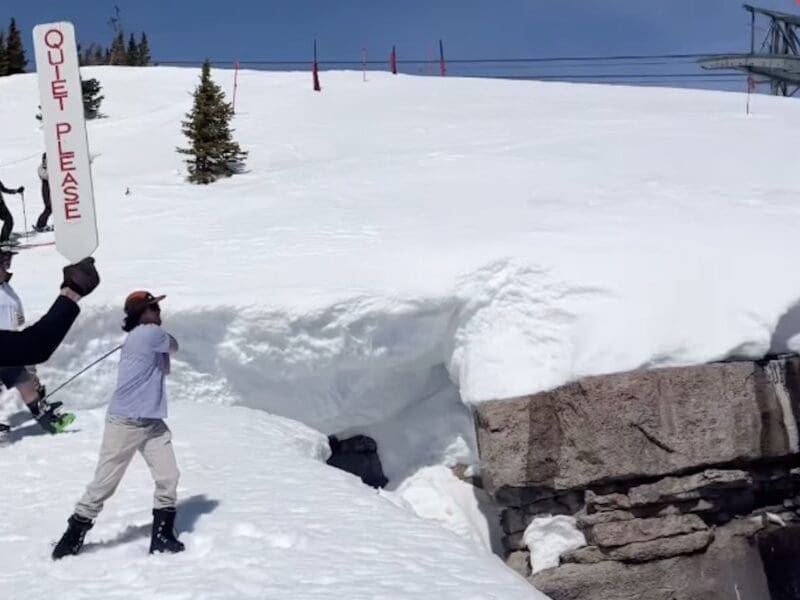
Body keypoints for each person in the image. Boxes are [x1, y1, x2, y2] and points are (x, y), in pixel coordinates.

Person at [53, 291, 184, 560]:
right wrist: (156, 334)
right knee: (105, 483)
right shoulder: (149, 333)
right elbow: (174, 345)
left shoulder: (141, 336)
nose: (158, 312)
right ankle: (73, 533)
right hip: (125, 422)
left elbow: (165, 363)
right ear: (141, 314)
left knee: (168, 476)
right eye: (153, 308)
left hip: (151, 421)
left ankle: (162, 536)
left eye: (157, 307)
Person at [0, 248, 73, 434]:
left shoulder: (6, 287)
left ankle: (45, 418)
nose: (8, 266)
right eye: (4, 262)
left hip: (12, 346)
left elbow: (14, 313)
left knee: (26, 382)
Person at [0, 257, 99, 366]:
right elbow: (31, 347)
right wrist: (71, 293)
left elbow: (24, 341)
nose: (5, 270)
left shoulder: (7, 291)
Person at [34, 153, 52, 232]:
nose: (45, 161)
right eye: (45, 159)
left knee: (52, 208)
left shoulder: (50, 167)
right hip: (46, 189)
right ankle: (40, 224)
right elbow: (46, 176)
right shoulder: (41, 168)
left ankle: (42, 224)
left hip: (52, 189)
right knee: (48, 207)